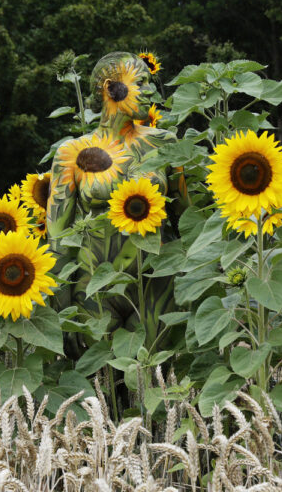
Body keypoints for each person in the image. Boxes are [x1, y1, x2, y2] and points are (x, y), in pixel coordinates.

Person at [46, 52, 187, 355]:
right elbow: (57, 237)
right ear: (111, 88)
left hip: (156, 281)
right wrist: (60, 311)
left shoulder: (165, 143)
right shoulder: (72, 153)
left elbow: (184, 219)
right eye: (141, 83)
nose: (152, 91)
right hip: (95, 286)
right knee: (103, 385)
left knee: (152, 376)